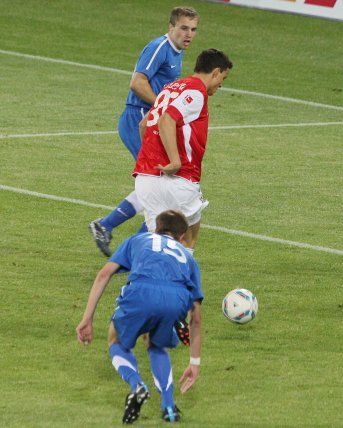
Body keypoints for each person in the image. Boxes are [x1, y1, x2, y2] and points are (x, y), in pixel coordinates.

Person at [89, 6, 200, 257]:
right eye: (183, 28)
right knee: (158, 184)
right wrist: (162, 106)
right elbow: (137, 82)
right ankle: (130, 241)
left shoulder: (177, 51)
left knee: (159, 183)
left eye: (193, 29)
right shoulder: (160, 47)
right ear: (171, 26)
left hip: (150, 118)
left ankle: (117, 233)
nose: (189, 34)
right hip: (138, 116)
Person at [76, 210, 204, 424]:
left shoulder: (138, 239)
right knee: (155, 344)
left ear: (155, 227)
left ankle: (137, 385)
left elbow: (104, 275)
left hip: (141, 291)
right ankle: (169, 407)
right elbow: (197, 318)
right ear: (182, 237)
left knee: (116, 339)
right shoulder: (188, 259)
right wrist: (194, 362)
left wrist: (87, 318)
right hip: (176, 298)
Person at [133, 48, 233, 251]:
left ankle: (143, 280)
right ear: (215, 72)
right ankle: (181, 282)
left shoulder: (171, 88)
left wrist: (154, 157)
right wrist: (174, 161)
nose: (221, 84)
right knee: (186, 241)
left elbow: (144, 124)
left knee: (157, 243)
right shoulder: (197, 92)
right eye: (222, 78)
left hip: (146, 178)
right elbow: (166, 120)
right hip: (179, 179)